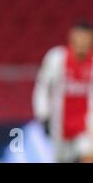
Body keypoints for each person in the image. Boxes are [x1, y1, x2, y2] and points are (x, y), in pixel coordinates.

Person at [33, 21, 93, 162]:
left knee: (88, 156)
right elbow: (43, 87)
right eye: (80, 38)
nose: (83, 42)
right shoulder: (56, 59)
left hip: (85, 128)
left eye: (86, 38)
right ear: (72, 38)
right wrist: (43, 115)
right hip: (60, 126)